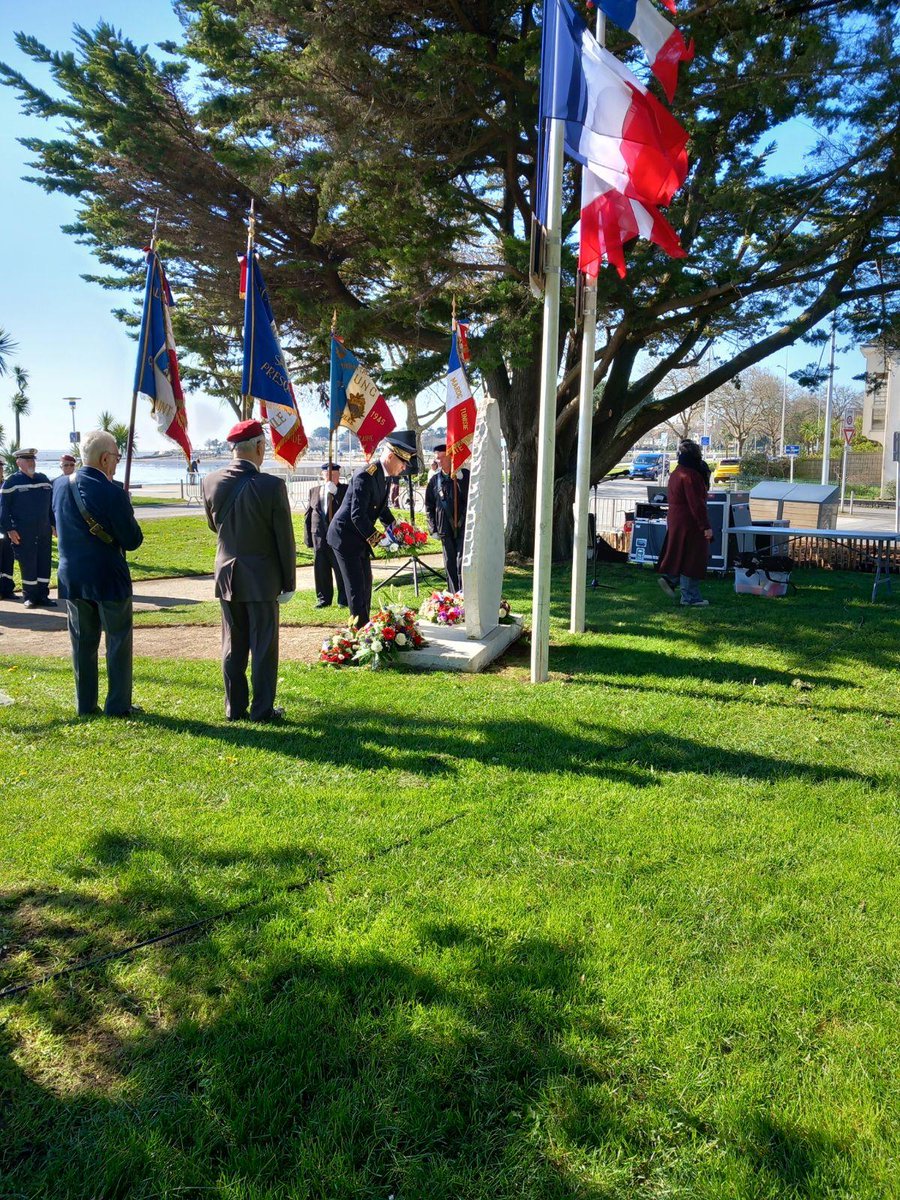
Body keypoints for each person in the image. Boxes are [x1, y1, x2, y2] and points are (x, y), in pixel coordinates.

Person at [202, 419, 296, 723]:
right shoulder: (272, 486)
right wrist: (289, 582)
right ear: (258, 446)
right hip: (262, 577)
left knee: (232, 644)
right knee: (263, 647)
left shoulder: (210, 481)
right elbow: (284, 539)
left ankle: (235, 707)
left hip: (227, 573)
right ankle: (262, 710)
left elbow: (213, 526)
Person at [52, 429, 145, 716]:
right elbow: (132, 540)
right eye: (116, 456)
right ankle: (117, 705)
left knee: (82, 643)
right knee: (117, 642)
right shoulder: (113, 492)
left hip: (72, 576)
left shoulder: (59, 486)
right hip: (108, 576)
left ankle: (85, 704)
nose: (117, 462)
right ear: (105, 459)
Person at [327, 431, 414, 627]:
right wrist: (380, 540)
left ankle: (365, 628)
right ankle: (360, 634)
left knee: (366, 585)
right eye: (402, 462)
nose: (404, 467)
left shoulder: (383, 475)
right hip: (345, 537)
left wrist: (397, 530)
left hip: (360, 537)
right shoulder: (366, 475)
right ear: (390, 456)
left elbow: (381, 509)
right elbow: (357, 515)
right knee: (356, 589)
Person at [657, 438, 714, 608]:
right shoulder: (691, 475)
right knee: (692, 557)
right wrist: (705, 526)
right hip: (690, 521)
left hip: (676, 518)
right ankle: (690, 597)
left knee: (680, 552)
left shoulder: (677, 472)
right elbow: (696, 503)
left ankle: (671, 579)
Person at [0, 448, 55, 608]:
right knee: (28, 563)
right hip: (23, 532)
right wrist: (10, 529)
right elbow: (4, 509)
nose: (31, 463)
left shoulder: (44, 480)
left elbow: (51, 507)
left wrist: (53, 525)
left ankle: (43, 595)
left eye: (32, 460)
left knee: (44, 562)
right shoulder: (12, 482)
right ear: (18, 462)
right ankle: (30, 596)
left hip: (44, 531)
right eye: (27, 460)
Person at [425, 443, 470, 594]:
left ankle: (465, 593)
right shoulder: (435, 480)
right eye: (437, 458)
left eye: (442, 457)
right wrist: (433, 528)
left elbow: (471, 498)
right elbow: (429, 506)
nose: (439, 461)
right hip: (444, 527)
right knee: (449, 563)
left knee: (462, 561)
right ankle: (453, 594)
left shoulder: (464, 475)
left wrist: (461, 480)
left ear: (451, 457)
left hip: (463, 526)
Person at [304, 462, 348, 609]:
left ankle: (343, 599)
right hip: (319, 537)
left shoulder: (345, 490)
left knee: (341, 569)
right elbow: (309, 515)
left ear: (339, 475)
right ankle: (323, 599)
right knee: (321, 570)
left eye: (334, 475)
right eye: (327, 475)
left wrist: (336, 493)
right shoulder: (314, 491)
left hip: (338, 538)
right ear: (322, 475)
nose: (330, 478)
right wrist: (308, 538)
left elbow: (347, 507)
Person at [0, 463, 16, 599]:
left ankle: (8, 589)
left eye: (1, 468)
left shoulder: (7, 485)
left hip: (7, 528)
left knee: (8, 559)